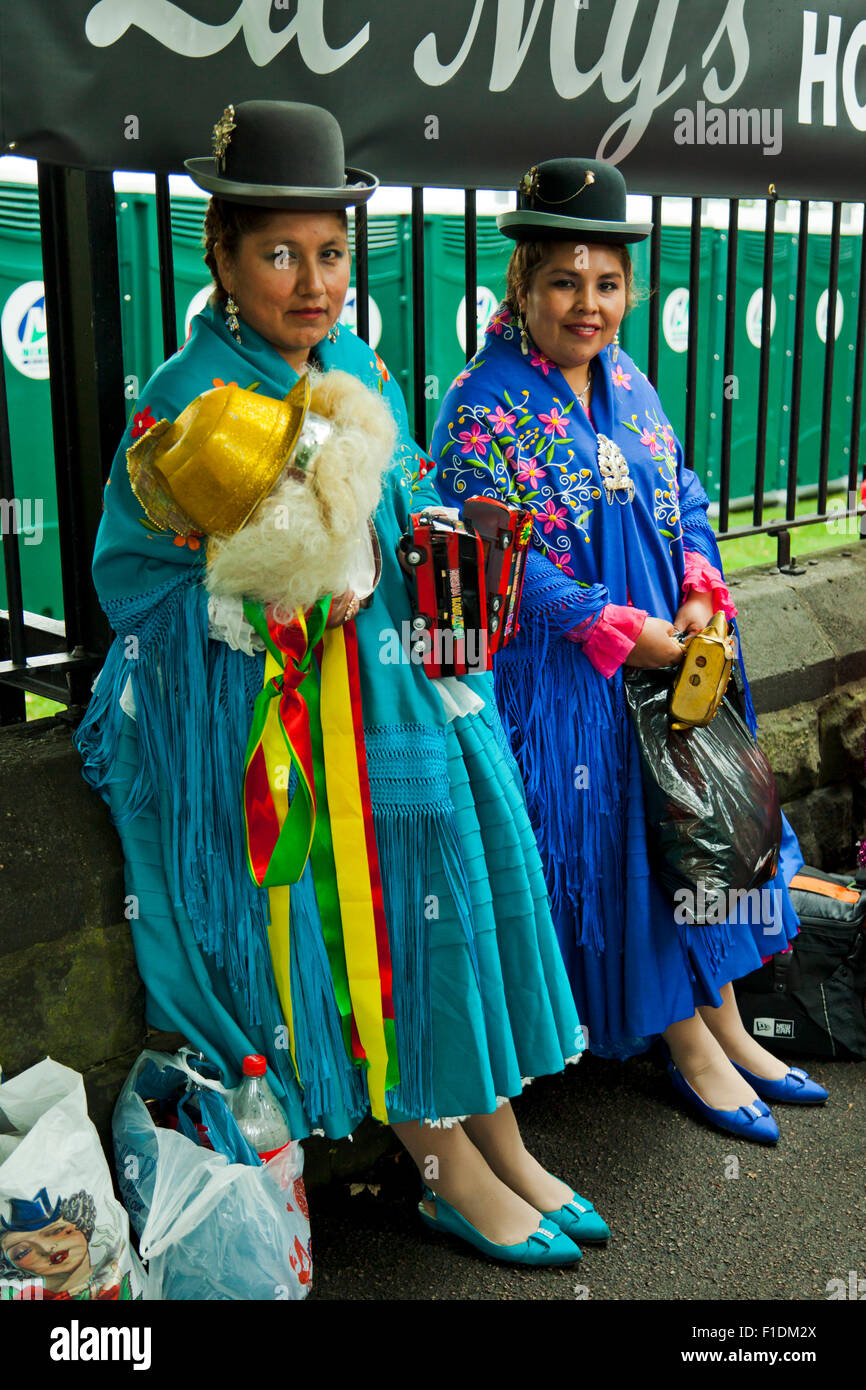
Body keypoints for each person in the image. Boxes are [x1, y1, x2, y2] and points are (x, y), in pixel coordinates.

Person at [73, 104, 608, 1266]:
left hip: (391, 688)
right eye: (278, 254)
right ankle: (443, 1164)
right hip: (280, 725)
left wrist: (435, 531)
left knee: (452, 877)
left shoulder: (353, 361)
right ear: (218, 255)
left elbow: (393, 493)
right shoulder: (186, 404)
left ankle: (496, 1134)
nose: (310, 283)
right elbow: (135, 589)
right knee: (367, 907)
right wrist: (257, 601)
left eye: (329, 254)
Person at [431, 158, 828, 1145]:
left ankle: (726, 1023)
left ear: (628, 290)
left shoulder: (629, 380)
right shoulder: (483, 405)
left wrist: (698, 580)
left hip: (669, 662)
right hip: (573, 681)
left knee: (697, 835)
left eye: (605, 283)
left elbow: (684, 489)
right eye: (562, 281)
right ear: (519, 283)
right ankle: (681, 1039)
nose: (587, 303)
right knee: (630, 855)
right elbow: (493, 557)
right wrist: (615, 629)